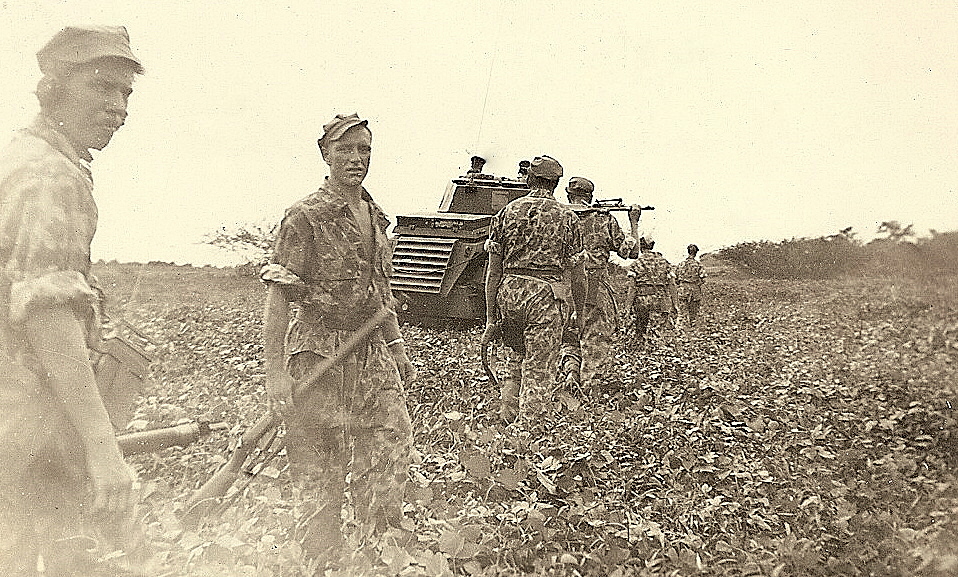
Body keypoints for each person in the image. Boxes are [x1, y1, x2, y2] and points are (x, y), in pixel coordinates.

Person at [0, 26, 146, 576]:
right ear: (55, 87)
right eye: (102, 88)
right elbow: (48, 314)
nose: (118, 108)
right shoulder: (49, 175)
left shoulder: (22, 156)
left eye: (125, 93)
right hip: (30, 420)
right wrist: (103, 448)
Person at [261, 113, 416, 564]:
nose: (356, 159)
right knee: (320, 462)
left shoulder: (377, 217)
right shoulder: (305, 216)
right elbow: (279, 296)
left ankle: (378, 550)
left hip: (369, 350)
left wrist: (396, 348)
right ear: (325, 154)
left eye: (364, 150)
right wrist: (275, 375)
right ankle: (321, 557)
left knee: (392, 438)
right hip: (318, 350)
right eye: (345, 149)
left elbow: (381, 293)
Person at [481, 155, 586, 424]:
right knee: (539, 369)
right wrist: (579, 311)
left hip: (510, 295)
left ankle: (506, 420)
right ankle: (530, 431)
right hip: (546, 299)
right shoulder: (569, 218)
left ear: (529, 179)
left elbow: (493, 272)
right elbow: (578, 276)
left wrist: (491, 317)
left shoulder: (506, 213)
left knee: (513, 360)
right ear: (556, 183)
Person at [558, 177, 640, 390]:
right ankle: (588, 391)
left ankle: (570, 372)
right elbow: (631, 253)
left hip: (562, 288)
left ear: (568, 195)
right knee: (595, 340)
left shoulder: (558, 217)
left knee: (567, 336)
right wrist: (633, 222)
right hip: (594, 287)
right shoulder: (604, 219)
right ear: (590, 196)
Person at [625, 236, 679, 350]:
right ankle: (656, 350)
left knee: (640, 329)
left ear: (641, 247)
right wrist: (675, 304)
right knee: (657, 330)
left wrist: (628, 307)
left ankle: (641, 351)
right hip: (660, 299)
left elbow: (632, 287)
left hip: (641, 300)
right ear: (652, 246)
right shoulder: (664, 262)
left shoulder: (636, 263)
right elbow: (672, 284)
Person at [675, 243, 707, 330]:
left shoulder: (681, 264)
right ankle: (692, 326)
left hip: (682, 289)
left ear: (688, 251)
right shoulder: (698, 265)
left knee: (681, 309)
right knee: (694, 310)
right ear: (695, 253)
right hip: (694, 290)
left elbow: (676, 279)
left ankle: (680, 327)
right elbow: (703, 279)